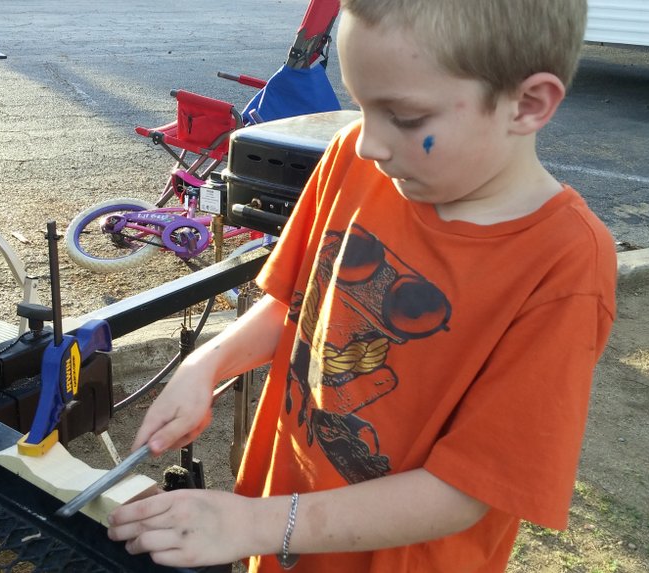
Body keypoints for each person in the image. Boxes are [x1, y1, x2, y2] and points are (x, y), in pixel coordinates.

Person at [107, 0, 616, 571]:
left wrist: (254, 523)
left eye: (403, 116)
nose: (370, 141)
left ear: (527, 104)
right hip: (280, 534)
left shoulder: (564, 262)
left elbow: (466, 489)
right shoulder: (355, 156)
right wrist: (208, 365)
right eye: (361, 103)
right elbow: (295, 305)